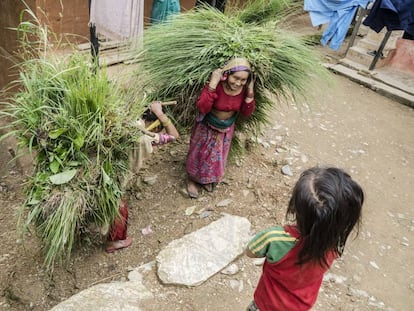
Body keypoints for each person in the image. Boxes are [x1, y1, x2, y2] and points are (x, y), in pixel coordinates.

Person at [245, 166, 364, 311]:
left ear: (295, 206)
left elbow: (250, 251)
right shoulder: (333, 247)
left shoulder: (275, 238)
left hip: (265, 305)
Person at [105, 101, 179, 253]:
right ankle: (115, 241)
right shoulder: (145, 138)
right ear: (156, 125)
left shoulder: (124, 119)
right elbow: (173, 135)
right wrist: (160, 113)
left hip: (101, 167)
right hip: (113, 177)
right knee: (119, 209)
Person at [186, 57, 255, 198]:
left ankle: (207, 179)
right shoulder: (216, 85)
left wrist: (249, 93)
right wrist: (212, 84)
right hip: (206, 127)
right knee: (199, 154)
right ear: (227, 74)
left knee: (216, 156)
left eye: (243, 80)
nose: (238, 83)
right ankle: (192, 180)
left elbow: (247, 113)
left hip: (226, 129)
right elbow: (203, 108)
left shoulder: (243, 90)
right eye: (235, 78)